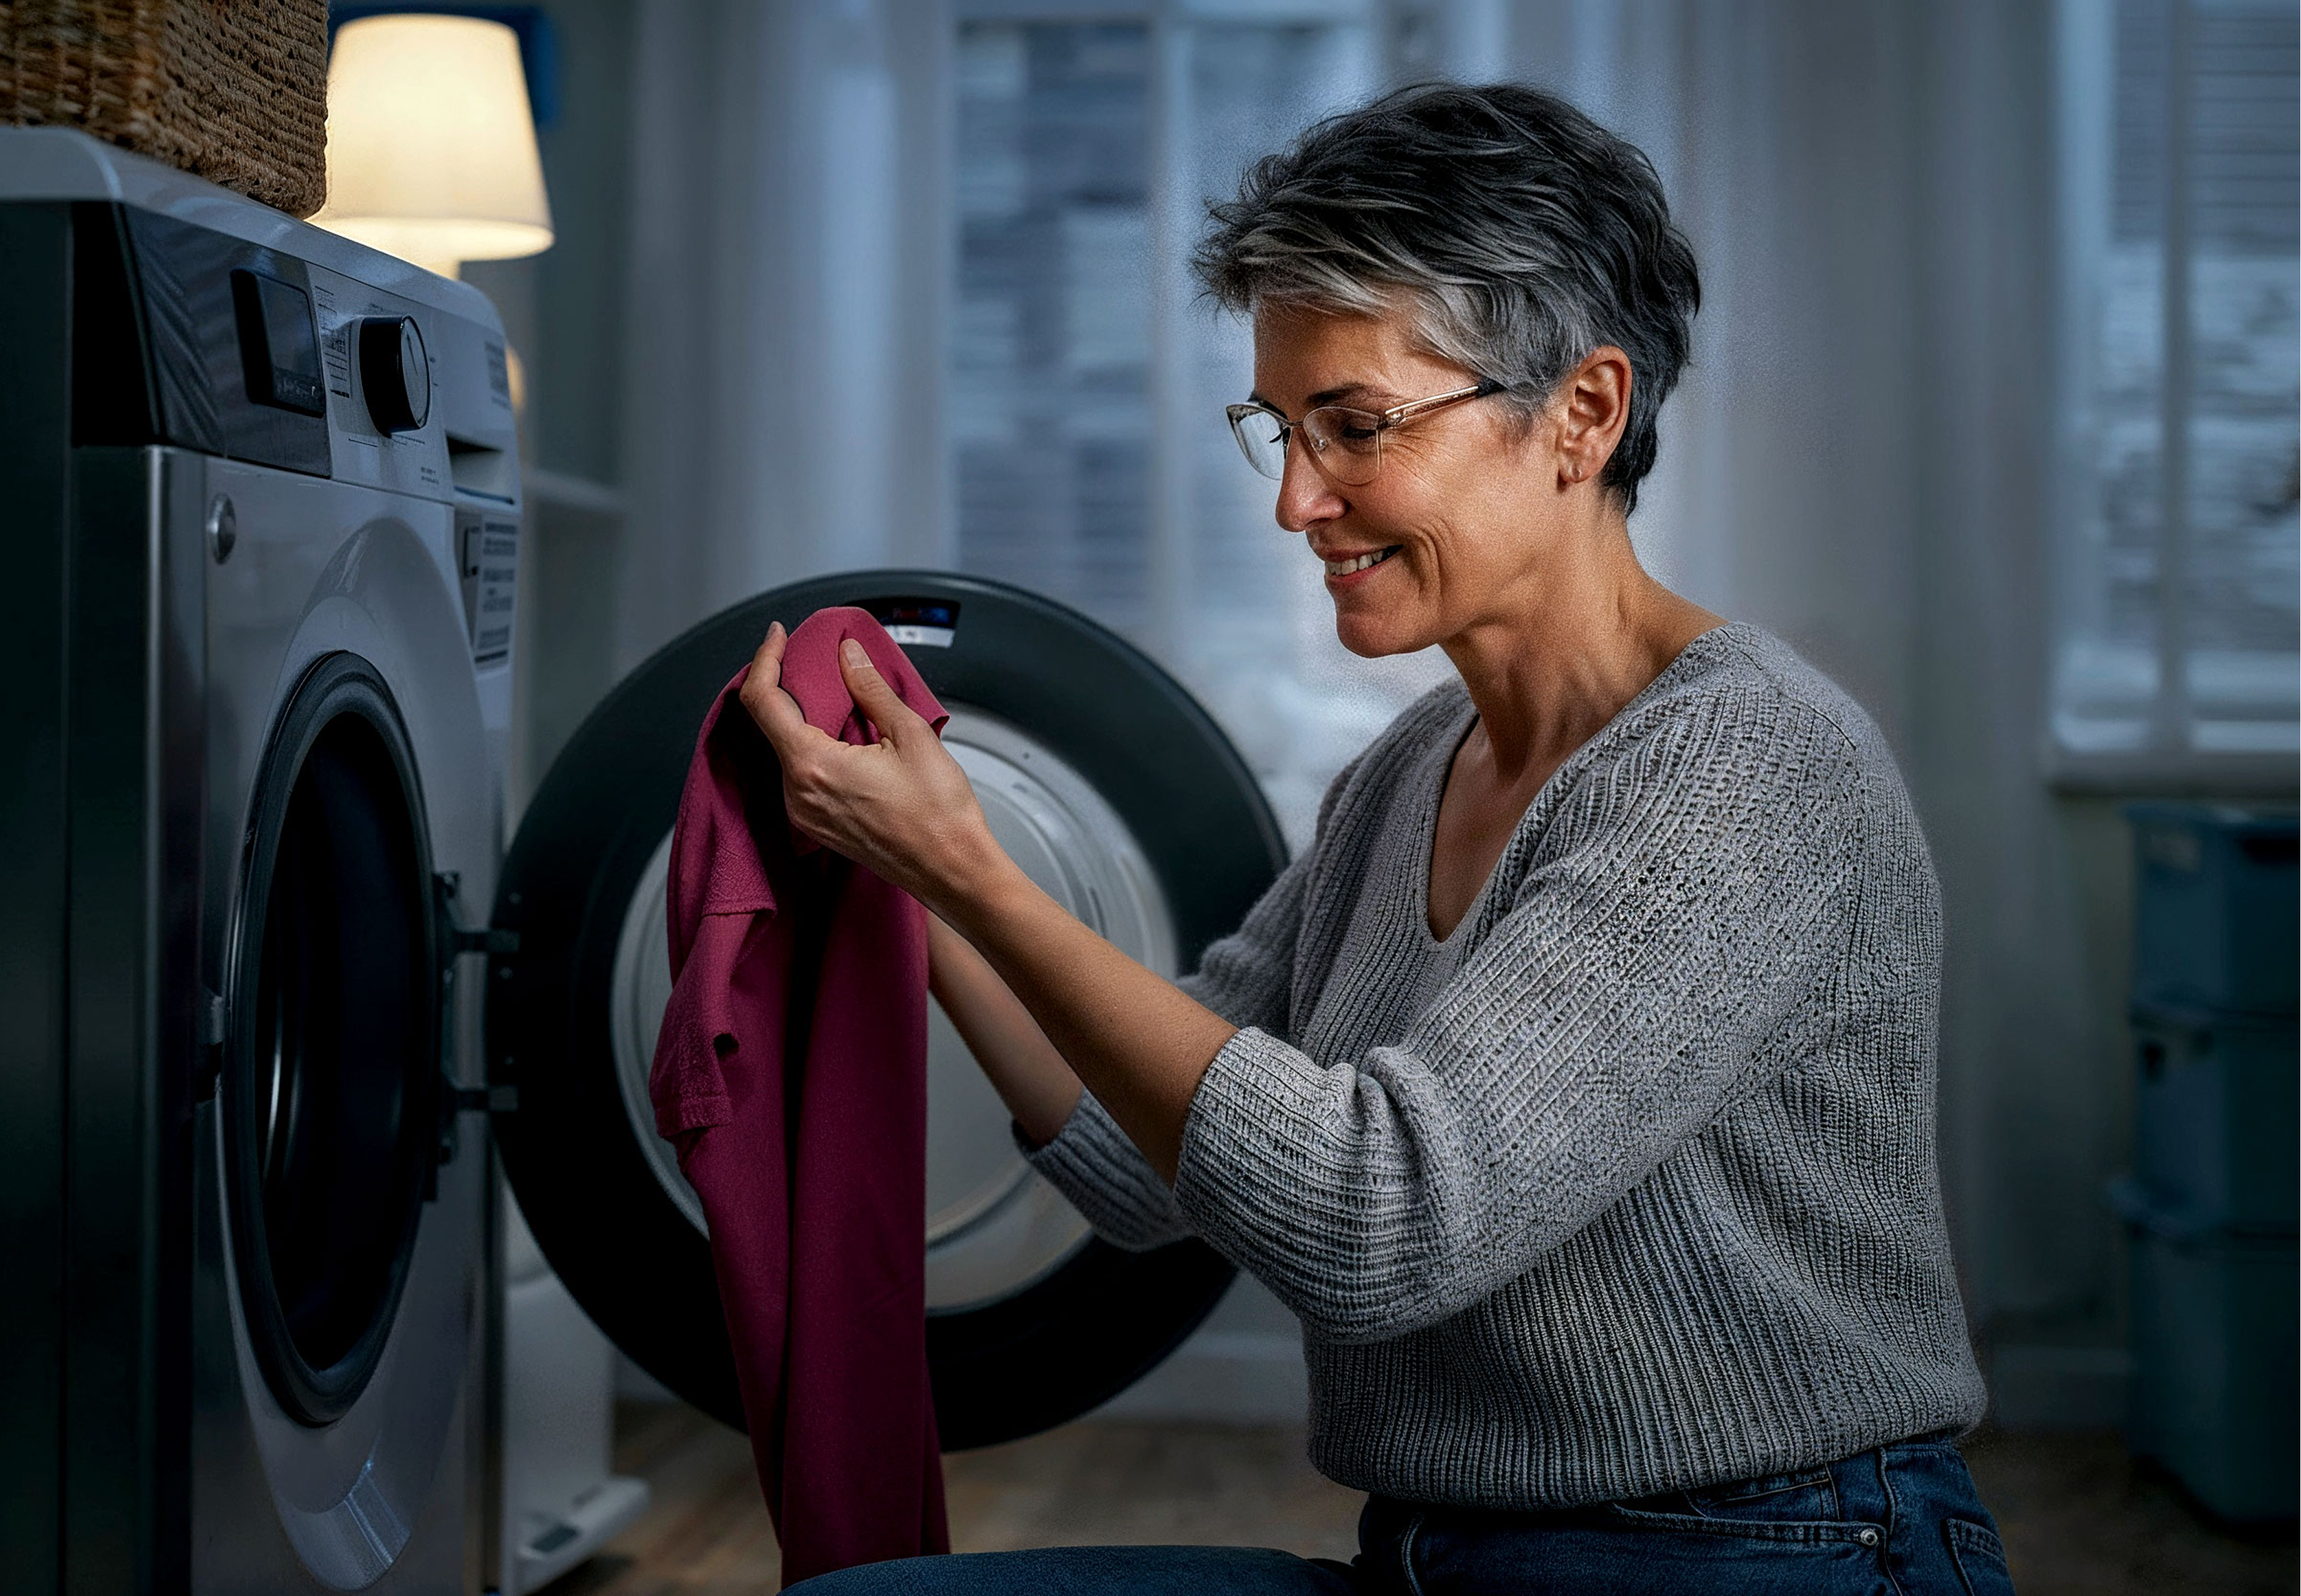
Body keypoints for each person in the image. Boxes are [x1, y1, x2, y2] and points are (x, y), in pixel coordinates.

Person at [754, 83, 2007, 1596]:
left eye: (1355, 426)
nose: (1295, 500)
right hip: (1435, 1560)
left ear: (1583, 413)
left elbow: (1378, 1218)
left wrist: (965, 864)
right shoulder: (1408, 769)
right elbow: (1140, 1168)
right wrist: (915, 886)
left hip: (1768, 1554)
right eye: (1280, 430)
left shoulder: (1750, 766)